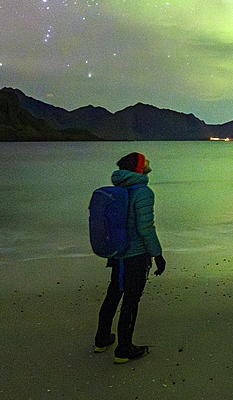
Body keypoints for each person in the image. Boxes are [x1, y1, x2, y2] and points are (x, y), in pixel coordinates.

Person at [94, 152, 166, 363]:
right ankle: (124, 348)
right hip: (135, 255)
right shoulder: (143, 192)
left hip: (117, 252)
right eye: (146, 163)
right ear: (138, 168)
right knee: (131, 300)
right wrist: (158, 254)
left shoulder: (117, 189)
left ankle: (102, 339)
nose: (149, 165)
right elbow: (146, 228)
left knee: (113, 295)